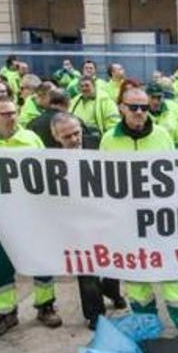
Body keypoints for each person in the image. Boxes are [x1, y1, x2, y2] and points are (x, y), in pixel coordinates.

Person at [99, 86, 178, 335]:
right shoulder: (108, 140)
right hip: (127, 225)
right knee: (137, 283)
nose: (140, 112)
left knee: (175, 282)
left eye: (144, 107)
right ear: (121, 107)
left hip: (162, 223)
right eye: (134, 107)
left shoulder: (163, 135)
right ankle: (148, 334)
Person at [0, 96, 63, 337]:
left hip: (32, 213)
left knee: (41, 259)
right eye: (5, 113)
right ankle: (5, 313)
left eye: (13, 112)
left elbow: (46, 173)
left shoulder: (31, 139)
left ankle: (45, 305)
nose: (11, 117)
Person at [49, 112, 126, 329]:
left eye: (77, 133)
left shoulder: (99, 144)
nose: (74, 140)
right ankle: (95, 314)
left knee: (116, 259)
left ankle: (111, 289)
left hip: (105, 214)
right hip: (76, 221)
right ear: (56, 137)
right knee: (86, 267)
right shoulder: (48, 160)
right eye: (67, 137)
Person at [70, 75, 121, 141]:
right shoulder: (74, 101)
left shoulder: (105, 101)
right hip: (77, 140)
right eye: (81, 86)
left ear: (94, 86)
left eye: (87, 85)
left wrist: (108, 139)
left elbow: (114, 124)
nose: (84, 88)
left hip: (98, 140)